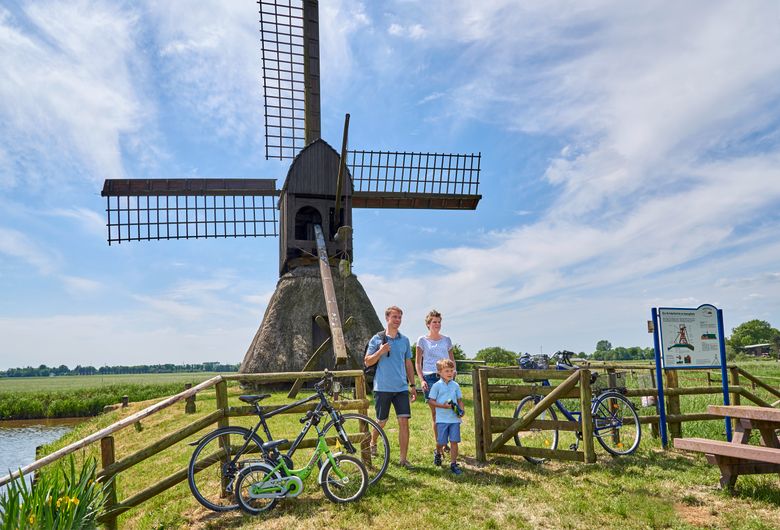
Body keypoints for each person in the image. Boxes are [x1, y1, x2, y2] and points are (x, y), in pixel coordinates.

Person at [364, 305, 417, 468]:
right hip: (383, 387)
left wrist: (413, 385)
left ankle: (403, 459)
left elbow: (408, 363)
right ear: (387, 318)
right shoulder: (377, 339)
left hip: (401, 388)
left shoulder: (405, 340)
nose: (397, 320)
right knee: (381, 421)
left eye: (400, 317)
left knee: (404, 422)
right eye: (394, 317)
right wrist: (380, 351)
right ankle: (373, 442)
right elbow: (367, 361)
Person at [415, 310, 455, 461]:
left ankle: (444, 444)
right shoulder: (422, 340)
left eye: (439, 322)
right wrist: (422, 379)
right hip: (430, 378)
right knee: (436, 415)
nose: (437, 324)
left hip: (446, 378)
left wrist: (453, 373)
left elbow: (452, 360)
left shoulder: (447, 340)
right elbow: (418, 363)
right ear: (428, 324)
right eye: (434, 322)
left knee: (449, 412)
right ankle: (440, 445)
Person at [427, 358, 465, 475]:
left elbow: (459, 400)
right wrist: (442, 406)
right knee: (441, 442)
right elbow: (431, 401)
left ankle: (453, 464)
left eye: (451, 370)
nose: (450, 373)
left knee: (454, 441)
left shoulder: (455, 385)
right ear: (439, 373)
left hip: (454, 419)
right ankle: (438, 452)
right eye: (447, 371)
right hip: (442, 419)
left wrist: (462, 410)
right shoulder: (436, 386)